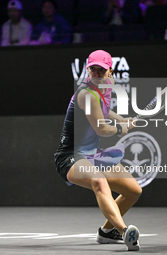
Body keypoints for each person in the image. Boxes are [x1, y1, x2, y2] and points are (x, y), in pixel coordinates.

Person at [54, 50, 142, 251]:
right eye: (92, 68)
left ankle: (106, 232)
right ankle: (124, 231)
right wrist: (120, 128)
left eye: (100, 70)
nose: (95, 73)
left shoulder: (105, 86)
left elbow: (101, 108)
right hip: (70, 157)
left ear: (110, 71)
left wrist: (120, 119)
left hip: (92, 154)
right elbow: (101, 128)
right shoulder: (85, 93)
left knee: (133, 190)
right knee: (98, 181)